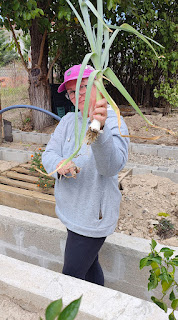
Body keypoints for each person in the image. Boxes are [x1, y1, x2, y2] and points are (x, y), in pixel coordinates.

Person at [42, 64, 129, 286]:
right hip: (70, 211)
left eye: (82, 87)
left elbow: (111, 168)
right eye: (71, 91)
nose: (75, 96)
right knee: (90, 268)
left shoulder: (112, 121)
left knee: (71, 276)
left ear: (97, 86)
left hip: (92, 217)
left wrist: (98, 127)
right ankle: (97, 304)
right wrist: (59, 163)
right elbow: (49, 154)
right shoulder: (68, 121)